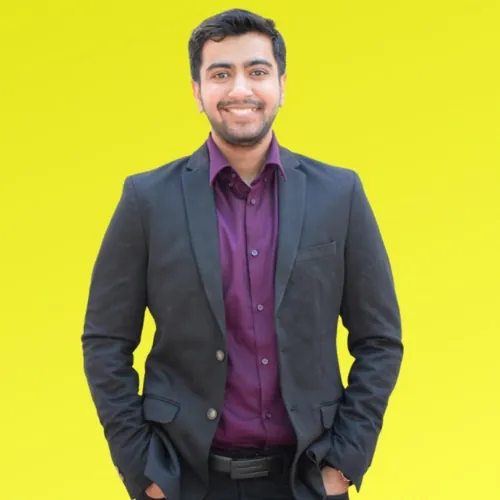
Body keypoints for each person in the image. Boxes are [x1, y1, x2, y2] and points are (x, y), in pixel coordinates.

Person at [81, 8, 403, 500]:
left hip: (308, 477)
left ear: (281, 85)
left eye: (256, 71)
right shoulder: (146, 200)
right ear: (197, 92)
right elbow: (105, 341)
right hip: (186, 479)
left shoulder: (340, 195)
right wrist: (144, 470)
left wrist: (344, 462)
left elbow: (379, 339)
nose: (240, 89)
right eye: (220, 74)